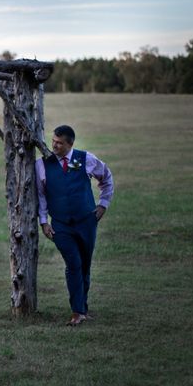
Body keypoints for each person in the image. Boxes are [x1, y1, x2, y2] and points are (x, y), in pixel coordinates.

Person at [35, 125, 114, 326]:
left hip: (87, 222)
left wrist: (103, 204)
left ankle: (83, 308)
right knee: (74, 265)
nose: (54, 145)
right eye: (53, 140)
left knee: (85, 266)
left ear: (70, 144)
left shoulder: (86, 158)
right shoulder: (42, 165)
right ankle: (77, 311)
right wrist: (44, 221)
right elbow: (41, 196)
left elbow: (106, 177)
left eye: (60, 143)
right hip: (61, 226)